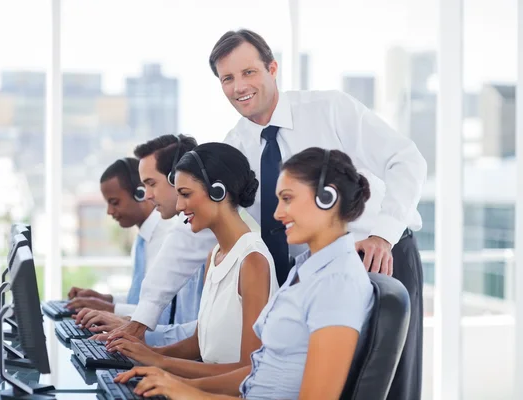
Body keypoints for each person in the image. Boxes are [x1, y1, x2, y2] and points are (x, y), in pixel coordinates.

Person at [111, 29, 426, 400]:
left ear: (272, 68)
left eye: (248, 72)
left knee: (388, 387)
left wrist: (383, 234)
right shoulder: (237, 146)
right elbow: (187, 238)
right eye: (227, 78)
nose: (239, 86)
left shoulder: (330, 110)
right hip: (310, 276)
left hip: (381, 258)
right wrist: (143, 318)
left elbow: (406, 160)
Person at [114, 148, 376, 400]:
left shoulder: (337, 283)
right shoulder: (307, 271)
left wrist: (190, 393)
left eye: (287, 199)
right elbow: (255, 374)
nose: (276, 213)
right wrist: (176, 384)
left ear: (327, 198)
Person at [106, 142, 278, 379]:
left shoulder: (253, 261)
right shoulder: (215, 255)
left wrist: (161, 364)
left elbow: (249, 371)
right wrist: (146, 354)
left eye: (185, 194)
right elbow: (199, 344)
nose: (179, 206)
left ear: (218, 191)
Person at [75, 135, 207, 346]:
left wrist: (126, 324)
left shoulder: (193, 235)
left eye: (151, 184)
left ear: (178, 179)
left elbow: (193, 332)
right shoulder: (182, 232)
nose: (147, 195)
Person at [65, 158, 174, 322]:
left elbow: (161, 313)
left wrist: (108, 309)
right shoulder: (142, 239)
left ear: (140, 194)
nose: (109, 211)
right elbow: (140, 300)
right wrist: (104, 299)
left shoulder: (167, 238)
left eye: (114, 202)